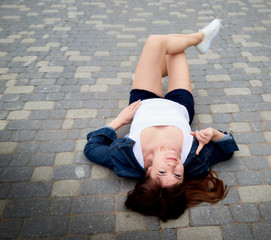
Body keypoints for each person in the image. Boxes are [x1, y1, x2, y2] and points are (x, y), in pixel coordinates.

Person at [84, 19, 239, 221]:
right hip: (180, 104)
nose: (173, 165)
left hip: (144, 100)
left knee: (156, 41)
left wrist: (119, 121)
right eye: (177, 175)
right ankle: (163, 62)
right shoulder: (195, 160)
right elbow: (228, 149)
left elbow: (91, 148)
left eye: (162, 171)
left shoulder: (125, 159)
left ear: (148, 171)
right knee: (175, 51)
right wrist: (215, 134)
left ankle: (199, 39)